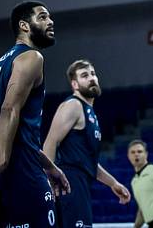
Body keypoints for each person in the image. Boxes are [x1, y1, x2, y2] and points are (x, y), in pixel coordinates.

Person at [0, 0, 70, 228]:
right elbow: (9, 108)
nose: (50, 21)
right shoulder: (32, 57)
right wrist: (4, 159)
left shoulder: (3, 61)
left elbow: (16, 128)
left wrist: (50, 166)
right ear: (24, 25)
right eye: (42, 17)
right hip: (14, 159)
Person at [43, 59, 131, 228]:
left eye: (93, 74)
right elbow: (50, 142)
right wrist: (48, 182)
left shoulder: (89, 112)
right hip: (68, 183)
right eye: (85, 75)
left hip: (80, 184)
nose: (92, 78)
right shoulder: (73, 105)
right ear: (74, 84)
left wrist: (113, 183)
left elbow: (88, 162)